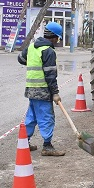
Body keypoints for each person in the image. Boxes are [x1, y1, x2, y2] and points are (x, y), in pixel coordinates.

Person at [17, 21, 65, 156]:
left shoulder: (32, 47)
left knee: (31, 117)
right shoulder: (48, 51)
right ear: (54, 37)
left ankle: (24, 142)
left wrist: (32, 61)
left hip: (31, 89)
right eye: (58, 38)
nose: (57, 41)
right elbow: (50, 75)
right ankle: (47, 146)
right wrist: (55, 93)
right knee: (46, 117)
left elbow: (20, 58)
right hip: (43, 91)